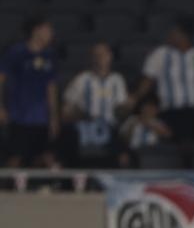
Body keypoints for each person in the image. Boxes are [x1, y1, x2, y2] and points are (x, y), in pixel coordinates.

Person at [134, 17, 194, 157]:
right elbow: (147, 82)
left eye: (175, 32)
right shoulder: (160, 54)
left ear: (185, 36)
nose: (170, 35)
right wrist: (134, 99)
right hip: (168, 112)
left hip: (193, 111)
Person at [0, 16, 59, 169]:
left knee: (46, 156)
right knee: (15, 157)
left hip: (41, 118)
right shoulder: (16, 52)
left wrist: (53, 117)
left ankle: (50, 187)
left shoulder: (49, 56)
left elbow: (50, 88)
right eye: (47, 30)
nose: (51, 34)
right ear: (36, 31)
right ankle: (7, 189)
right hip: (19, 116)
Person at [61, 42, 128, 167]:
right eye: (96, 55)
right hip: (85, 129)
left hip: (109, 129)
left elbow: (121, 109)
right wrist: (81, 114)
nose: (99, 58)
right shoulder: (82, 79)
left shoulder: (117, 80)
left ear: (110, 56)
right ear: (91, 58)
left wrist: (125, 109)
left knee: (121, 156)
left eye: (103, 54)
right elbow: (66, 109)